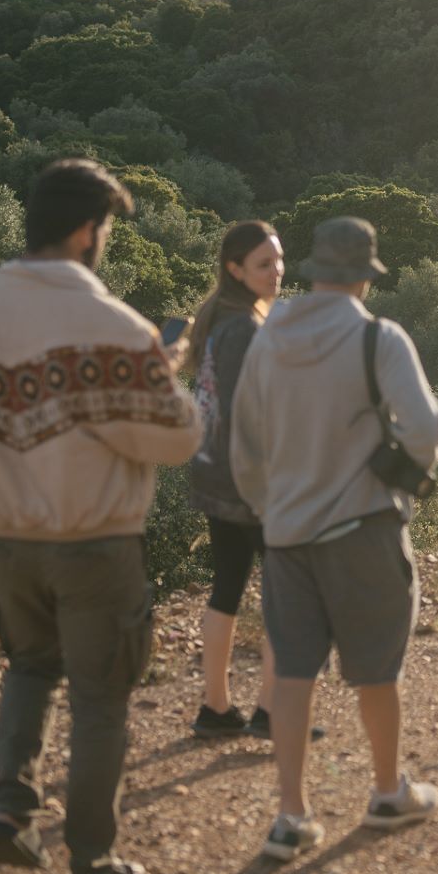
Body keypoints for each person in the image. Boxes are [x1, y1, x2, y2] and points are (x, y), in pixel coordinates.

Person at [0, 159, 202, 874]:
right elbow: (175, 440)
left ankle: (11, 805)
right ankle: (90, 865)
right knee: (101, 699)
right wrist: (164, 373)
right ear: (85, 231)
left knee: (31, 667)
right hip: (94, 542)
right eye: (104, 230)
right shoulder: (117, 330)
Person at [230, 216, 438, 860]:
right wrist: (397, 479)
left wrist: (271, 507)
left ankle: (291, 815)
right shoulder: (377, 336)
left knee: (294, 672)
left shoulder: (270, 338)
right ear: (364, 277)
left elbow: (243, 443)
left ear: (314, 273)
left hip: (287, 535)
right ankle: (387, 792)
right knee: (377, 668)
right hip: (362, 530)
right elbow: (428, 432)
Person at [181, 220, 287, 740]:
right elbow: (254, 413)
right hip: (249, 480)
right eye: (264, 264)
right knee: (285, 592)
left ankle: (215, 709)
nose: (276, 272)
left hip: (213, 471)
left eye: (279, 260)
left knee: (226, 587)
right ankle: (270, 710)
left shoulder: (215, 316)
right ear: (235, 269)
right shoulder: (244, 326)